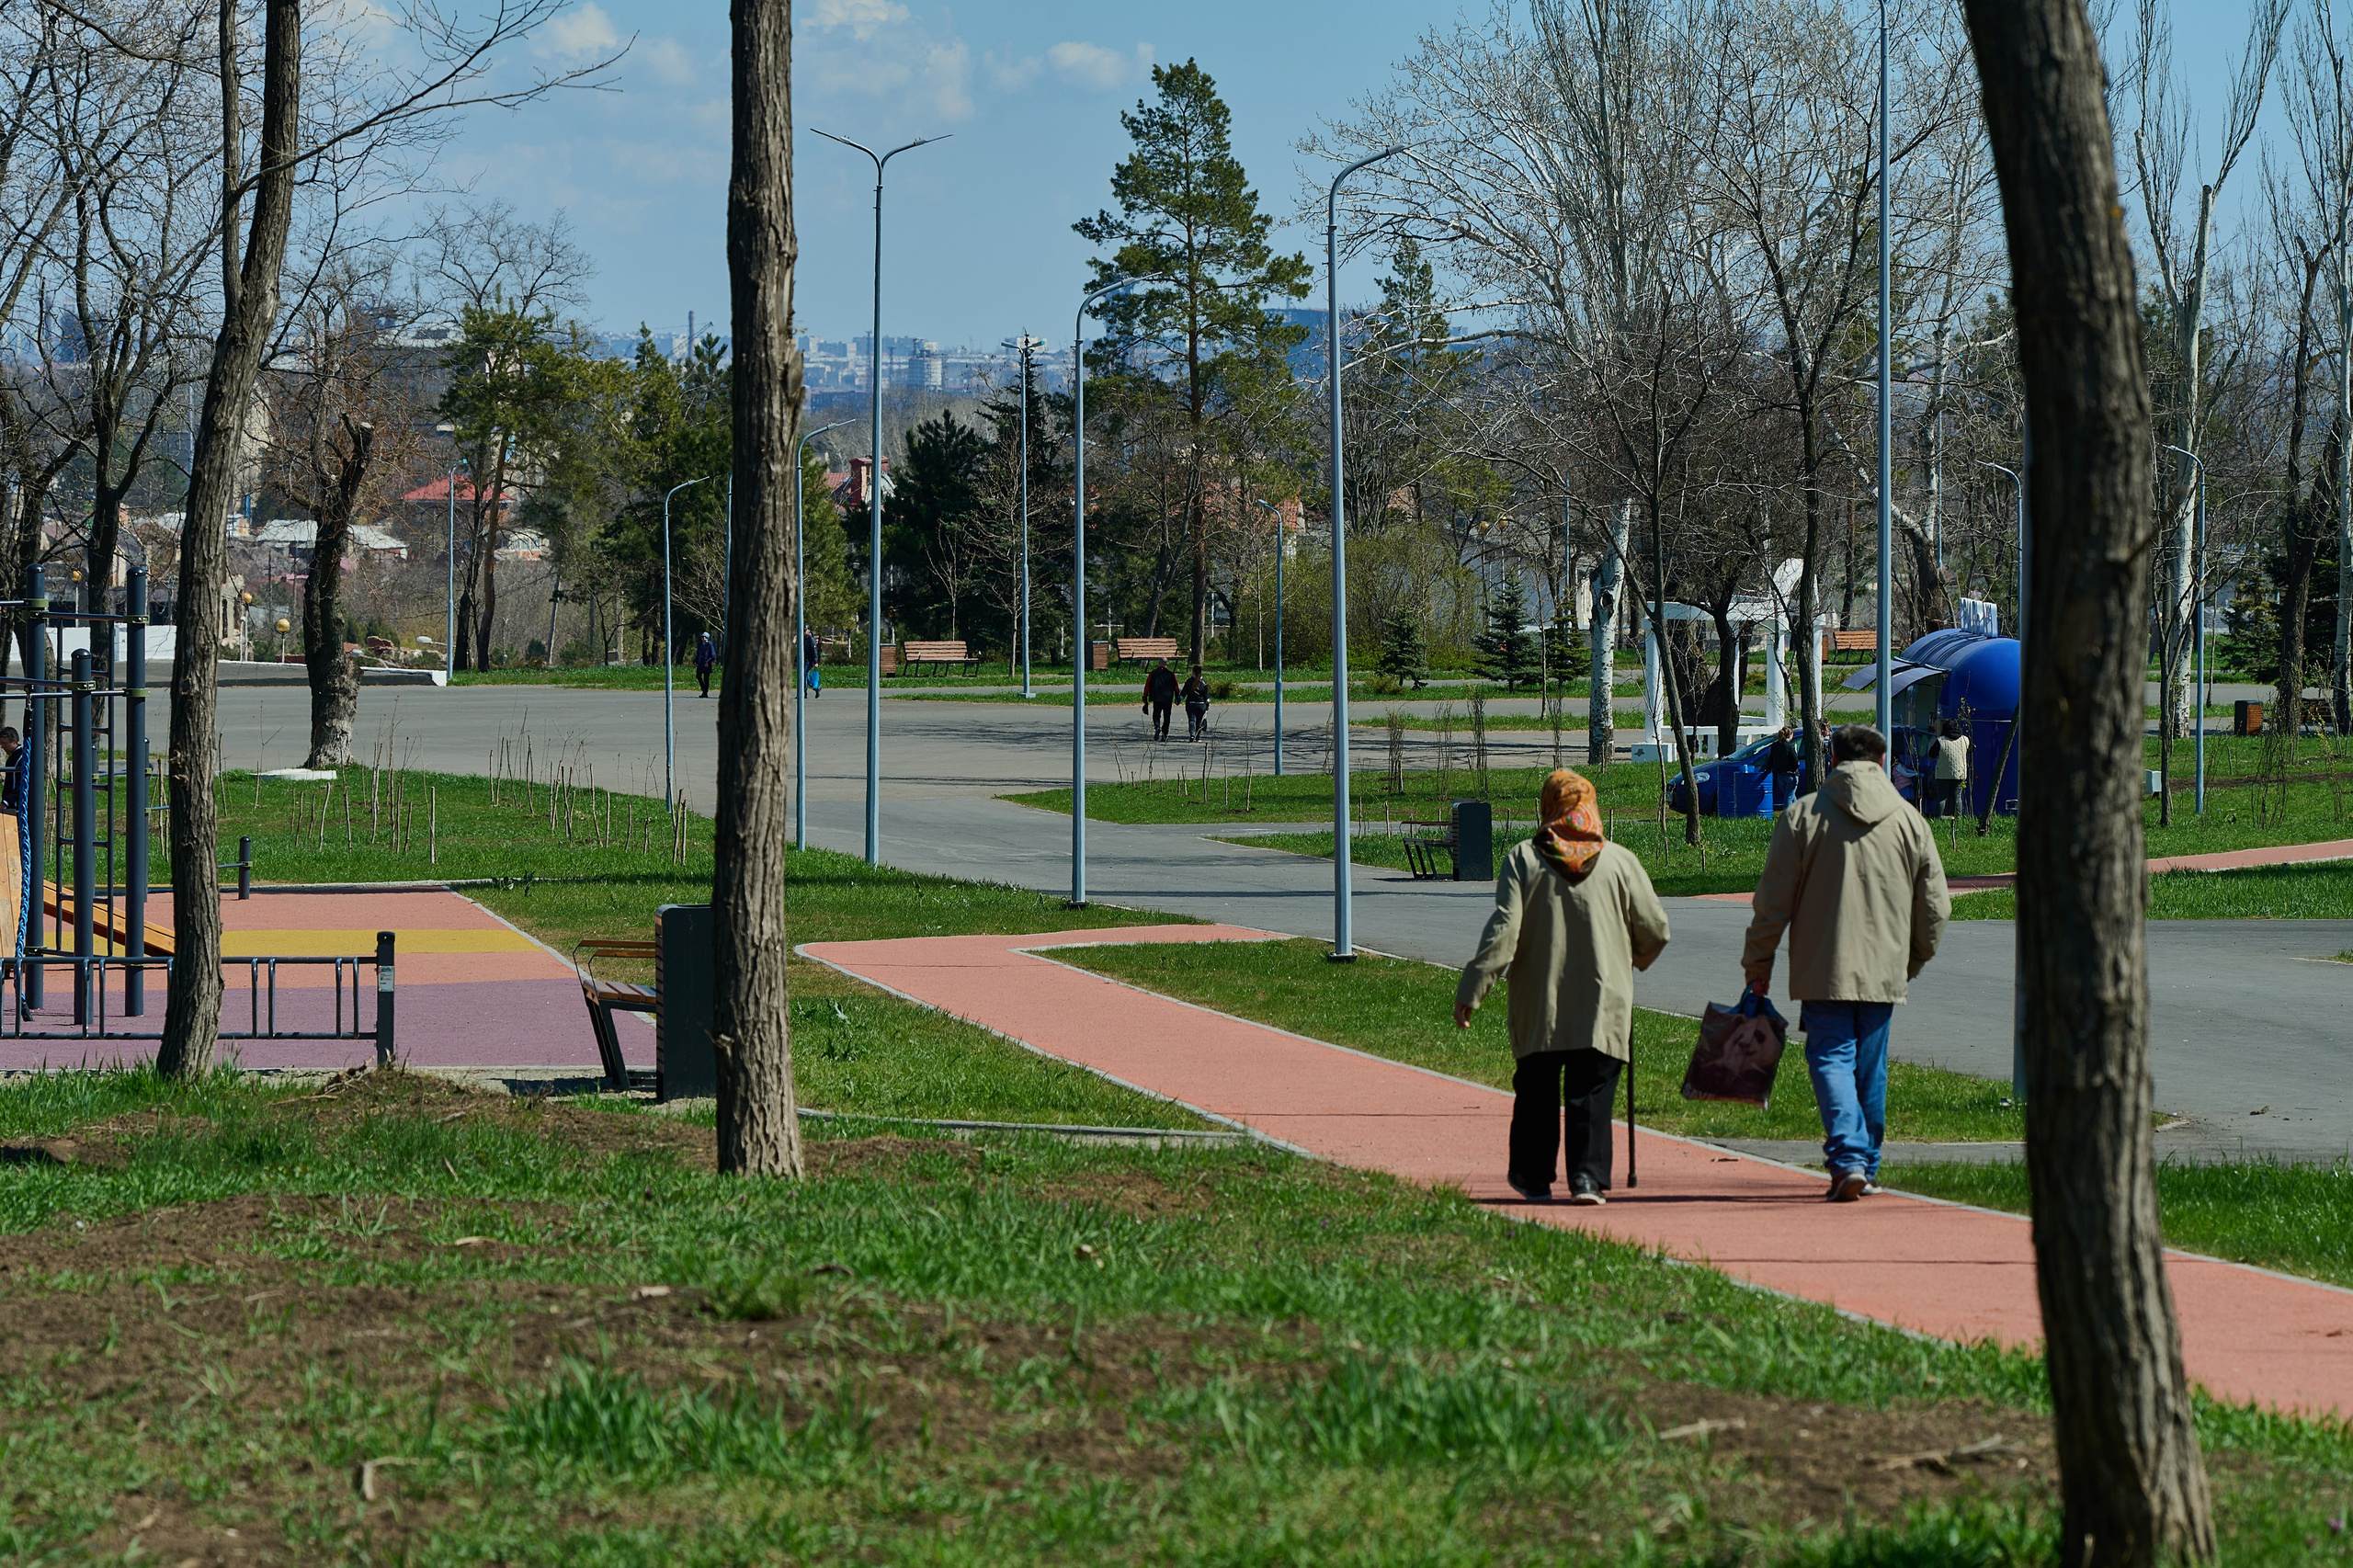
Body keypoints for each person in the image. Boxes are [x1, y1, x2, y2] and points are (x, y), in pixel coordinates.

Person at [1741, 723, 1950, 1202]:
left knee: (1831, 1057)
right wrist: (1911, 961)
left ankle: (1850, 1157)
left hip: (1823, 969)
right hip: (1884, 971)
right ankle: (1865, 1164)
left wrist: (1758, 965)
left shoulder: (1803, 816)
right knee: (1870, 1069)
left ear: (1832, 760)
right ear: (1881, 763)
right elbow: (1936, 909)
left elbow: (1772, 902)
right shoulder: (1909, 820)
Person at [1456, 768, 1671, 1206]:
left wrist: (1473, 988)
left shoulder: (1524, 858)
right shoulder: (1620, 860)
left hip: (1540, 1002)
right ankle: (1587, 1180)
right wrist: (1629, 960)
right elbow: (1655, 930)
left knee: (1536, 1088)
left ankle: (1534, 1180)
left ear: (1547, 807)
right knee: (1591, 1089)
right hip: (1604, 1000)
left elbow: (1504, 931)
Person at [1931, 720, 1970, 818]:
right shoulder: (1965, 740)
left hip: (1943, 774)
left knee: (1941, 799)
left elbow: (1931, 754)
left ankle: (1937, 820)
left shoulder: (1940, 741)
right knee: (1957, 798)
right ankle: (1960, 819)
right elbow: (1972, 749)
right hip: (1960, 773)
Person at [1766, 723, 1801, 811]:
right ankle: (1787, 816)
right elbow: (1795, 761)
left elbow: (1770, 760)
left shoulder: (1775, 746)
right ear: (1790, 735)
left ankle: (1799, 811)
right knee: (1788, 797)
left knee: (1790, 795)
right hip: (1791, 775)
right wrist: (1795, 767)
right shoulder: (1789, 746)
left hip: (1780, 775)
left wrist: (1767, 770)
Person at [1142, 658, 1178, 741]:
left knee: (1156, 714)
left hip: (1157, 698)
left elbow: (1147, 686)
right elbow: (1176, 687)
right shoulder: (1171, 674)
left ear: (1159, 663)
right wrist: (1177, 697)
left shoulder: (1153, 673)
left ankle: (1157, 726)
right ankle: (1165, 734)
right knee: (1167, 716)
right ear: (1166, 664)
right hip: (1167, 698)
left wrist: (1145, 697)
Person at [1181, 665, 1212, 741]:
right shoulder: (1203, 683)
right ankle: (1198, 737)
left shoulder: (1189, 682)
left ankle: (1192, 735)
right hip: (1201, 705)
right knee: (1199, 721)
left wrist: (1178, 700)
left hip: (1191, 704)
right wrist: (1207, 704)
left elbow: (1183, 693)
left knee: (1192, 720)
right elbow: (1206, 697)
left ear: (1193, 672)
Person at [694, 631, 718, 699]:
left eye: (704, 637)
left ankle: (705, 692)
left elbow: (713, 655)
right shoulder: (700, 644)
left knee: (706, 678)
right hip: (700, 664)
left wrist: (708, 662)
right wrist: (696, 661)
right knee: (698, 676)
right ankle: (704, 689)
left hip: (706, 664)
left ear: (707, 638)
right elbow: (698, 654)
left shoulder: (710, 644)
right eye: (702, 637)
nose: (703, 638)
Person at [802, 630, 823, 699]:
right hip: (803, 660)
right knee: (805, 676)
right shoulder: (802, 639)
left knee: (804, 674)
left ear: (808, 631)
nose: (804, 632)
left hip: (809, 661)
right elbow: (800, 650)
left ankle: (803, 693)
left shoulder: (811, 639)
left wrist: (815, 661)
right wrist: (796, 660)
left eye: (805, 630)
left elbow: (814, 651)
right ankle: (817, 688)